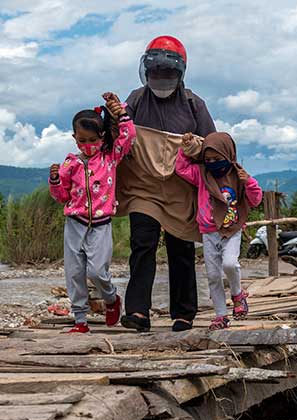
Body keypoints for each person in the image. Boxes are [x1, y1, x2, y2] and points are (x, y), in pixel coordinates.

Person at [116, 35, 217, 333]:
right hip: (143, 187)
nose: (161, 78)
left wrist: (195, 149)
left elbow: (211, 145)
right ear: (146, 72)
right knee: (142, 244)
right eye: (155, 72)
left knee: (181, 247)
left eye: (167, 73)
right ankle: (137, 312)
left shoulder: (193, 104)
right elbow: (120, 133)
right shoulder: (135, 99)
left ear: (180, 73)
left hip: (179, 188)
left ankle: (183, 313)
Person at [49, 93, 136, 334]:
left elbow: (129, 136)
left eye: (92, 140)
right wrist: (55, 180)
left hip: (101, 224)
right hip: (74, 224)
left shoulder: (109, 158)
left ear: (102, 137)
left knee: (97, 271)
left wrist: (121, 114)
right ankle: (80, 321)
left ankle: (111, 299)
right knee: (74, 273)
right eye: (82, 140)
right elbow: (61, 197)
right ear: (75, 139)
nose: (87, 146)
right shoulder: (70, 164)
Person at [175, 132, 263, 330]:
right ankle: (221, 315)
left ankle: (238, 294)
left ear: (229, 155)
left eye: (217, 159)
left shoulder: (239, 176)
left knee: (230, 264)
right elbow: (181, 169)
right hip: (208, 231)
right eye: (209, 160)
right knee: (213, 275)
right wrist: (185, 149)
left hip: (232, 229)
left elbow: (255, 199)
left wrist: (249, 182)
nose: (213, 163)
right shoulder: (201, 174)